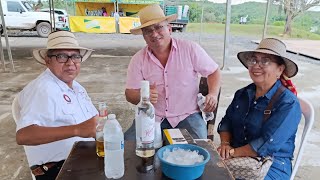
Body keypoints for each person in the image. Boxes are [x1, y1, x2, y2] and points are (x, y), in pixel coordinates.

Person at [124, 4, 221, 139]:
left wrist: (213, 94)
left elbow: (213, 71)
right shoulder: (138, 59)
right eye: (148, 31)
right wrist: (141, 96)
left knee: (200, 151)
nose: (154, 34)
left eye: (158, 27)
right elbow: (129, 93)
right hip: (152, 116)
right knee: (126, 148)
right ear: (144, 36)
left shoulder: (190, 49)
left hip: (187, 115)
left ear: (169, 29)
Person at [15, 31, 98, 180]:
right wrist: (77, 130)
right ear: (48, 61)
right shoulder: (43, 89)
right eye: (61, 56)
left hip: (86, 160)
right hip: (59, 170)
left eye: (75, 56)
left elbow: (93, 124)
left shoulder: (77, 87)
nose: (70, 63)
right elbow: (23, 135)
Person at [217, 38, 301, 179]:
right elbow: (226, 122)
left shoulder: (288, 103)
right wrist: (225, 144)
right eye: (254, 60)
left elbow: (266, 145)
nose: (257, 65)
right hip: (238, 157)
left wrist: (231, 153)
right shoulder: (242, 94)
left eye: (265, 61)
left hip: (272, 164)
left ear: (280, 70)